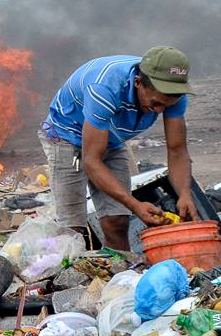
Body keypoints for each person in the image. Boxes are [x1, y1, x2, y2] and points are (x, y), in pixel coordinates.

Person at [40, 46, 196, 251]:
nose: (159, 110)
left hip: (111, 138)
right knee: (72, 229)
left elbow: (177, 150)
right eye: (156, 103)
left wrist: (184, 194)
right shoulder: (105, 88)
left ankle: (122, 269)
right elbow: (91, 161)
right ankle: (68, 270)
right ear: (138, 82)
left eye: (166, 106)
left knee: (118, 219)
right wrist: (135, 205)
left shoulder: (174, 94)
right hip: (66, 136)